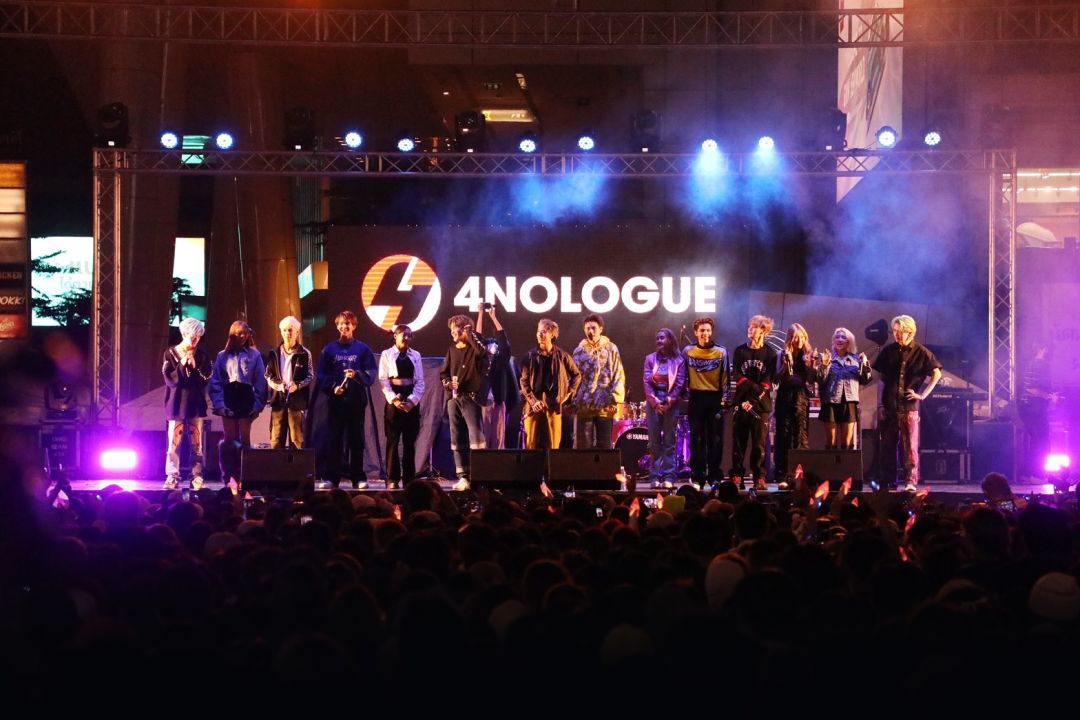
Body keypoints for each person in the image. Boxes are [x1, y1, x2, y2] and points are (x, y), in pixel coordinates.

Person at [871, 314, 943, 492]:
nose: (896, 335)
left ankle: (910, 480)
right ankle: (888, 480)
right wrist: (880, 404)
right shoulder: (888, 351)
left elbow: (937, 373)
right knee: (887, 445)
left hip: (909, 406)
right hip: (890, 405)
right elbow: (881, 380)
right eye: (894, 331)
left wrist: (922, 395)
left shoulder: (921, 352)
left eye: (900, 331)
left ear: (910, 332)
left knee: (910, 446)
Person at [316, 310, 377, 489]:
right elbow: (321, 375)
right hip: (336, 402)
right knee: (334, 439)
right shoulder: (329, 350)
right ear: (337, 326)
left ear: (354, 326)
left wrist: (356, 374)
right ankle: (331, 478)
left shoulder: (363, 349)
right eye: (341, 324)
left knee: (356, 440)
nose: (344, 327)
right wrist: (333, 387)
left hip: (356, 402)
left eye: (348, 324)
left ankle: (358, 478)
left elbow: (371, 374)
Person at [208, 320, 268, 490]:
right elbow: (216, 381)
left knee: (245, 439)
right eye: (239, 333)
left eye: (245, 333)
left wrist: (257, 405)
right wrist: (220, 405)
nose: (242, 336)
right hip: (229, 396)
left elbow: (260, 381)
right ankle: (229, 478)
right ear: (232, 334)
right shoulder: (222, 356)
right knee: (229, 440)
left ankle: (245, 477)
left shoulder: (254, 355)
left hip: (245, 396)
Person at [162, 317, 212, 490]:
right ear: (184, 334)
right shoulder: (170, 353)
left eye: (198, 337)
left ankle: (196, 475)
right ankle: (172, 475)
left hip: (195, 404)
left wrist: (195, 366)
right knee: (173, 443)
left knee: (196, 443)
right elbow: (169, 379)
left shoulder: (202, 355)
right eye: (192, 336)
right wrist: (182, 365)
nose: (195, 340)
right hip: (176, 403)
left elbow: (206, 378)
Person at [440, 314, 489, 491]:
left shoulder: (475, 349)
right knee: (457, 437)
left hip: (471, 398)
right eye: (451, 330)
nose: (452, 333)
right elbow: (444, 373)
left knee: (476, 437)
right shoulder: (451, 350)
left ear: (465, 330)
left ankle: (480, 475)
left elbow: (482, 352)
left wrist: (471, 333)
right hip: (454, 399)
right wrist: (448, 384)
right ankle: (463, 477)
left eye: (456, 329)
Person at [730, 315, 778, 492]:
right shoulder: (739, 351)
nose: (750, 329)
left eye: (755, 327)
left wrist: (752, 400)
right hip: (741, 403)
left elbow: (767, 382)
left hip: (760, 406)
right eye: (749, 326)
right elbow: (737, 374)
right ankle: (737, 475)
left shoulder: (770, 354)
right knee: (738, 443)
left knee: (759, 444)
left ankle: (759, 476)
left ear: (763, 331)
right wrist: (748, 394)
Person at [520, 318, 581, 451]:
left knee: (554, 444)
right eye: (538, 331)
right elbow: (524, 382)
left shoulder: (562, 356)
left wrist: (569, 392)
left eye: (544, 332)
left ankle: (551, 465)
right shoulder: (529, 356)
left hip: (553, 404)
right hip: (533, 405)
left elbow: (576, 374)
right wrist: (533, 402)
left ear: (552, 334)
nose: (540, 334)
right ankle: (530, 465)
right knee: (530, 443)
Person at [683, 317, 729, 489]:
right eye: (702, 330)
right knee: (697, 439)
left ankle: (714, 476)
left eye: (708, 330)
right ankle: (698, 476)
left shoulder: (721, 352)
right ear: (696, 332)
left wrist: (724, 401)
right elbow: (682, 375)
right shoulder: (688, 351)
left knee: (715, 439)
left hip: (715, 398)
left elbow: (726, 377)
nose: (705, 333)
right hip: (696, 399)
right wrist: (684, 394)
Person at [378, 324, 425, 490]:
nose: (406, 338)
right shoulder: (387, 354)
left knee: (409, 442)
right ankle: (392, 478)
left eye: (409, 335)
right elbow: (383, 380)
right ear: (395, 336)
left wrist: (412, 401)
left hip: (410, 398)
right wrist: (394, 400)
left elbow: (420, 381)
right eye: (403, 334)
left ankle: (409, 479)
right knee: (393, 440)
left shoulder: (416, 355)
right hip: (394, 399)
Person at [571, 314, 625, 449]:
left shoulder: (611, 348)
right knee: (583, 446)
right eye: (587, 328)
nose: (591, 331)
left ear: (601, 329)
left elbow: (618, 373)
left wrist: (614, 399)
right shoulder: (578, 351)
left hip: (605, 404)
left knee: (604, 446)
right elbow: (573, 377)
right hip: (584, 404)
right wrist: (572, 399)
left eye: (594, 328)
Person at [774, 323, 817, 489]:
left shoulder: (809, 355)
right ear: (790, 338)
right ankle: (783, 473)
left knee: (801, 434)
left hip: (801, 396)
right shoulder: (782, 354)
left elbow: (812, 380)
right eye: (795, 337)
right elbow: (777, 378)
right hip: (785, 395)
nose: (799, 340)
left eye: (801, 337)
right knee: (783, 433)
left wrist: (812, 367)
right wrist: (786, 365)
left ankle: (800, 474)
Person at [643, 328, 687, 489]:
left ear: (670, 340)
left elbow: (680, 383)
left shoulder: (679, 360)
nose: (659, 341)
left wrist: (669, 401)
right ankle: (655, 476)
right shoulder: (650, 358)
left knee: (669, 441)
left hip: (671, 402)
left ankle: (669, 476)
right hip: (653, 402)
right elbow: (647, 381)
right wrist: (655, 402)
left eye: (662, 338)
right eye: (657, 338)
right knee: (654, 442)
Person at [817, 326, 872, 451]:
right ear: (833, 341)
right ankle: (830, 463)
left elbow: (865, 380)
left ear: (849, 342)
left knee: (847, 443)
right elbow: (820, 380)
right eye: (837, 337)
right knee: (831, 442)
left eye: (843, 337)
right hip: (830, 402)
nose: (840, 339)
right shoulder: (827, 358)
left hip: (849, 402)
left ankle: (846, 464)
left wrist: (865, 364)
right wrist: (824, 364)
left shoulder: (856, 359)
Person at [264, 315, 313, 449]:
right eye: (284, 330)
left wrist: (297, 386)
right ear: (281, 332)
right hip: (278, 402)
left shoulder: (305, 354)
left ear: (297, 332)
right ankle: (277, 463)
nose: (287, 333)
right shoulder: (274, 353)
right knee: (276, 440)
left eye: (290, 330)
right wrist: (279, 385)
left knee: (297, 441)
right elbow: (268, 375)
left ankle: (296, 464)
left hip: (297, 402)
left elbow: (310, 376)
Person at [475, 304, 517, 449]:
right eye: (489, 345)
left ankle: (498, 461)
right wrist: (480, 314)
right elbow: (477, 338)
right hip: (484, 400)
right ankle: (484, 461)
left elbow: (504, 343)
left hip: (498, 400)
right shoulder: (481, 360)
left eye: (495, 345)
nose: (492, 347)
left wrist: (493, 317)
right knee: (484, 437)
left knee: (499, 438)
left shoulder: (502, 360)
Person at [1017, 343, 1056, 481]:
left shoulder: (1033, 364)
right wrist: (1049, 397)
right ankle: (1036, 474)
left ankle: (1028, 474)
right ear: (1042, 348)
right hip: (1033, 408)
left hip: (1031, 408)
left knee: (1037, 441)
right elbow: (1032, 389)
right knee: (1041, 442)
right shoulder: (1040, 365)